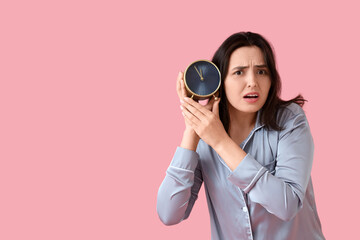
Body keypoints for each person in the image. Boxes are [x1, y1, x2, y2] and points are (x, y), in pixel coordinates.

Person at [156, 32, 325, 240]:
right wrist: (192, 131)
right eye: (239, 72)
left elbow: (287, 205)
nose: (252, 82)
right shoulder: (205, 138)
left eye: (262, 71)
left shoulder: (290, 120)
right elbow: (169, 214)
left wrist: (220, 142)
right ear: (219, 82)